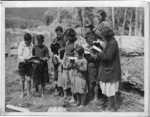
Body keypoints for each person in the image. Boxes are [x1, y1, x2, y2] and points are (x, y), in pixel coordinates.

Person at [92, 27, 121, 111]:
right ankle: (110, 106)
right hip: (109, 69)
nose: (102, 37)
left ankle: (111, 107)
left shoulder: (112, 43)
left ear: (106, 36)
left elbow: (108, 57)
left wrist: (98, 53)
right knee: (109, 91)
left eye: (102, 35)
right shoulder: (110, 41)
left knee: (110, 91)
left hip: (111, 70)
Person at [60, 28, 80, 101]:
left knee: (72, 81)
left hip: (72, 65)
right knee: (65, 80)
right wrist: (63, 61)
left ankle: (73, 97)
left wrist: (73, 61)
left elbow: (77, 55)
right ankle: (65, 95)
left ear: (72, 36)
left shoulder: (76, 44)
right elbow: (65, 53)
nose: (67, 38)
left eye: (68, 36)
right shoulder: (67, 42)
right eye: (66, 36)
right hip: (65, 64)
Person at [18, 33, 34, 98]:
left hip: (29, 63)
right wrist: (24, 59)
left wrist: (32, 59)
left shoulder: (32, 45)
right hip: (22, 64)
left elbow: (32, 53)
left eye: (30, 41)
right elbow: (19, 55)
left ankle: (28, 92)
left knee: (29, 79)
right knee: (22, 79)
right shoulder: (21, 45)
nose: (29, 43)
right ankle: (22, 93)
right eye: (28, 41)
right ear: (25, 40)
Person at [51, 26, 66, 96]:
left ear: (62, 32)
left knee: (63, 74)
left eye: (59, 34)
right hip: (56, 57)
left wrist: (61, 49)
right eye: (57, 34)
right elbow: (53, 50)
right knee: (56, 74)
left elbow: (67, 48)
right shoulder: (55, 39)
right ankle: (57, 89)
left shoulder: (65, 39)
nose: (58, 36)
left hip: (63, 58)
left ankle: (64, 90)